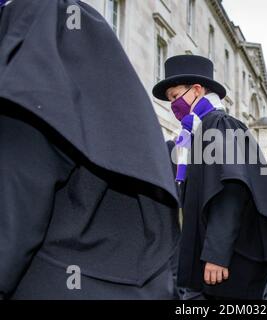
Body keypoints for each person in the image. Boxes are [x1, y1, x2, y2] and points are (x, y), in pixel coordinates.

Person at [0, 0, 179, 299]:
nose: (174, 103)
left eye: (177, 95)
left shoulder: (35, 42)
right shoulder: (90, 40)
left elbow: (12, 213)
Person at [152, 55, 267, 300]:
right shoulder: (194, 132)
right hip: (211, 263)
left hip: (229, 264)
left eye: (175, 97)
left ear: (196, 90)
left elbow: (231, 191)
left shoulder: (218, 125)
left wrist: (216, 254)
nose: (173, 105)